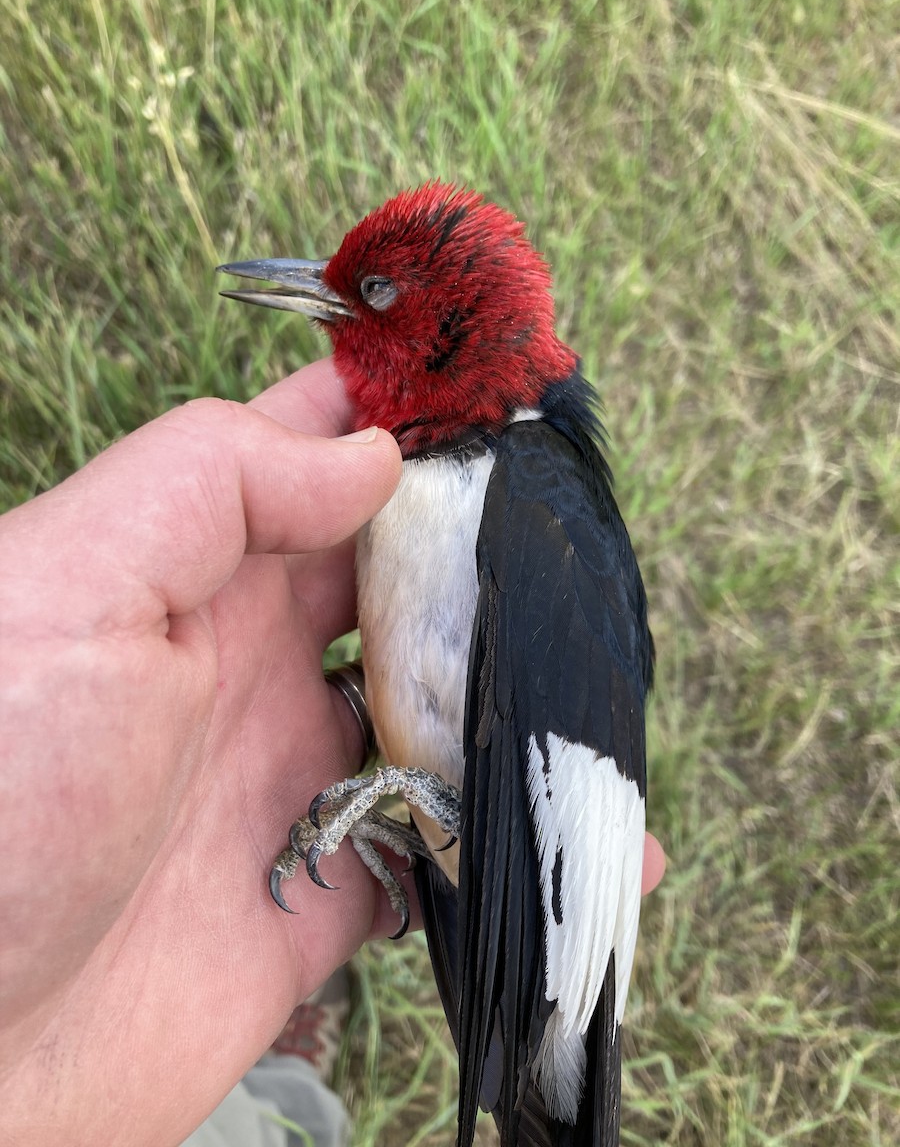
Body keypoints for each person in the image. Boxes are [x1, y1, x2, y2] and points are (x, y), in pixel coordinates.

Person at [0, 360, 665, 1146]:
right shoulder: (440, 480)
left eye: (376, 293)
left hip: (547, 923)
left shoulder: (542, 488)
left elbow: (546, 831)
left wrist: (417, 802)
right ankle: (288, 1100)